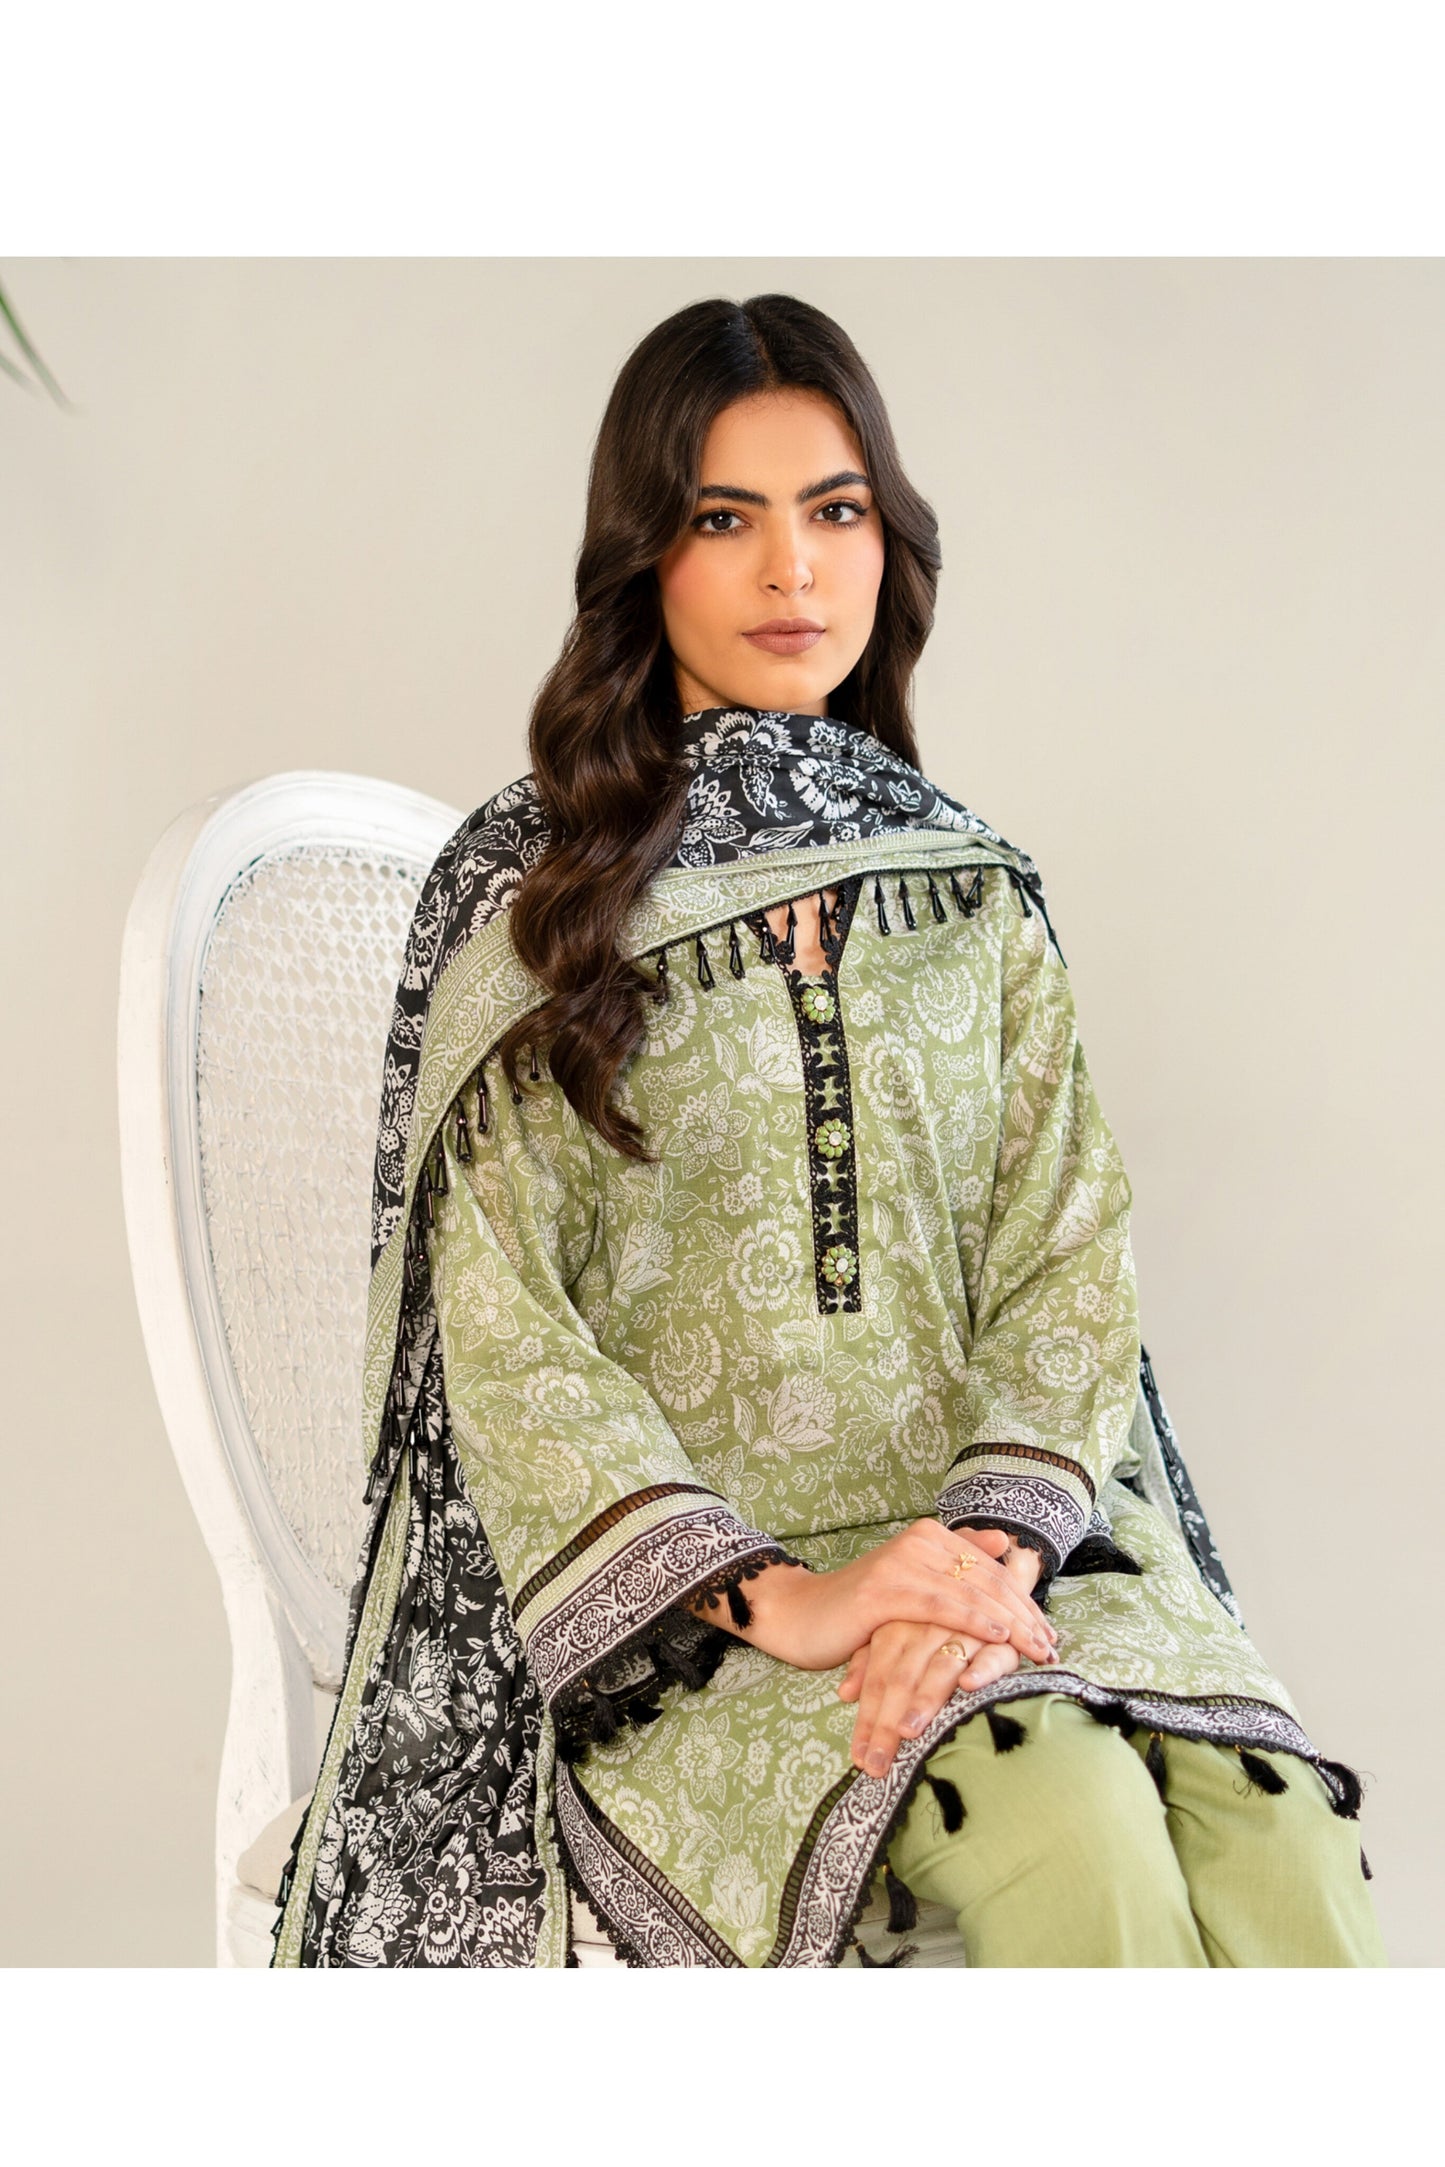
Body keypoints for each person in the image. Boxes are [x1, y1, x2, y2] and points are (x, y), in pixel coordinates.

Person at [270, 293, 1386, 1968]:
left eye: (835, 511)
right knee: (1060, 1813)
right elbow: (509, 1345)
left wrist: (974, 1568)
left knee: (1275, 1833)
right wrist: (797, 1599)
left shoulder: (969, 889)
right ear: (643, 558)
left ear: (889, 544)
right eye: (725, 520)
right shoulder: (536, 903)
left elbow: (1067, 1255)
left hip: (1016, 1558)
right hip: (707, 1627)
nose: (793, 571)